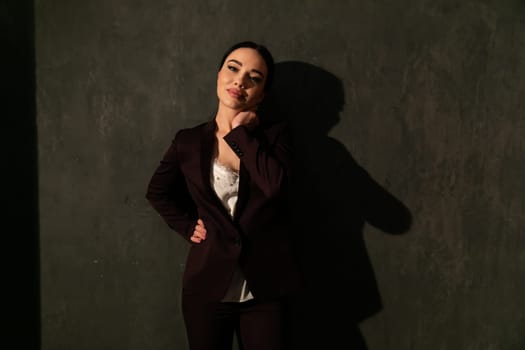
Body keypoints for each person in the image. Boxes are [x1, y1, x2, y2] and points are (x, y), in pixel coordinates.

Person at [145, 41, 301, 350]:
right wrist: (188, 226)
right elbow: (157, 192)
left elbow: (276, 187)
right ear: (218, 75)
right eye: (233, 68)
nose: (240, 81)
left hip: (264, 289)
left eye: (254, 77)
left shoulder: (275, 137)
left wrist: (241, 134)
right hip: (206, 289)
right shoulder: (187, 142)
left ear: (262, 94)